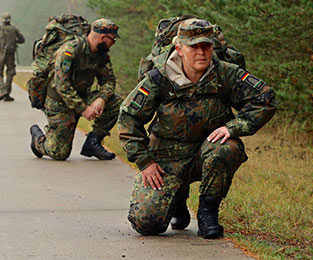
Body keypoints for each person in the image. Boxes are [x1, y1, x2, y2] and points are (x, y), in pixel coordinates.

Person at [118, 18, 276, 238]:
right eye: (194, 47)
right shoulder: (159, 78)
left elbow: (265, 97)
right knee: (147, 224)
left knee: (227, 148)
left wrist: (234, 127)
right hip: (166, 158)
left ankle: (207, 212)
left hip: (207, 151)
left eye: (206, 46)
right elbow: (128, 117)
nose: (201, 52)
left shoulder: (226, 73)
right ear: (179, 49)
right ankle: (178, 199)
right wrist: (145, 162)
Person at [29, 18, 123, 161]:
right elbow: (62, 85)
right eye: (113, 39)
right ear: (103, 37)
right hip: (58, 102)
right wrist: (83, 109)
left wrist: (101, 99)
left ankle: (93, 142)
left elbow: (109, 80)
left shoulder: (101, 54)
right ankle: (38, 140)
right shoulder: (69, 51)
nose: (114, 42)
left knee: (115, 102)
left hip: (81, 97)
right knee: (59, 153)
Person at [0, 12, 25, 101]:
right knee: (10, 72)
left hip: (0, 54)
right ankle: (7, 94)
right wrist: (14, 41)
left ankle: (3, 90)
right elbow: (22, 40)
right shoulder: (14, 29)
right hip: (11, 54)